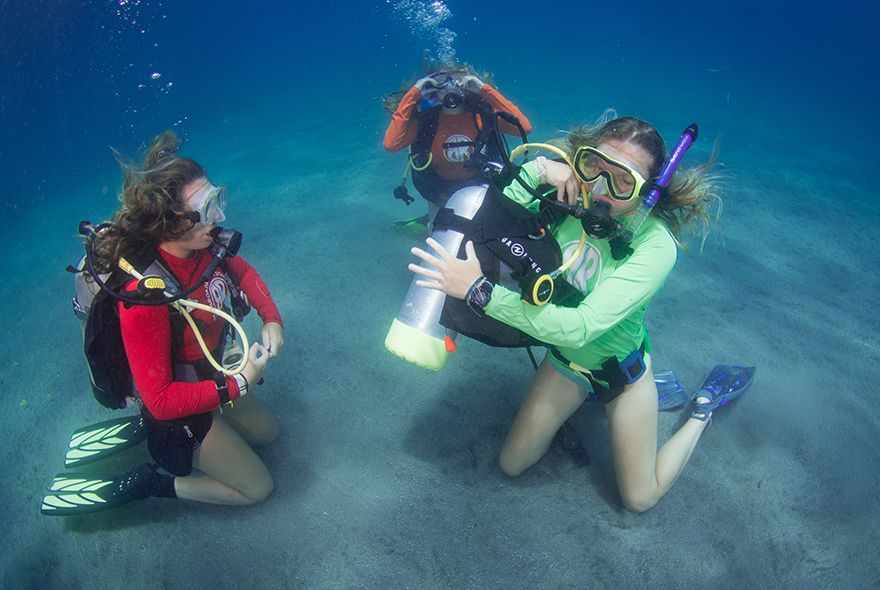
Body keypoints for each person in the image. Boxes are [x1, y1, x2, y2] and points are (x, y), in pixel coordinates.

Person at [407, 114, 754, 512]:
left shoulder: (656, 245)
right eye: (594, 167)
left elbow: (581, 328)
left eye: (623, 180)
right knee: (511, 464)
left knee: (640, 499)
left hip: (619, 374)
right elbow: (494, 217)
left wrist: (479, 292)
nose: (601, 188)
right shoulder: (571, 198)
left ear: (646, 191)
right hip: (564, 364)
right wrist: (538, 170)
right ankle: (590, 399)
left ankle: (703, 408)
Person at [42, 131, 284, 515]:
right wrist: (238, 384)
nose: (219, 216)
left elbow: (242, 271)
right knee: (258, 488)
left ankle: (202, 428)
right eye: (206, 209)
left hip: (210, 373)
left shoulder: (206, 245)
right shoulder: (146, 296)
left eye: (217, 199)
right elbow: (161, 399)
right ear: (170, 225)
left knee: (268, 435)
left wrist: (271, 318)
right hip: (175, 403)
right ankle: (154, 481)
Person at [383, 66, 532, 223]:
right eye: (441, 83)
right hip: (441, 192)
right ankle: (427, 220)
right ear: (432, 89)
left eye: (456, 81)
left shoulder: (482, 115)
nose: (449, 88)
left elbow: (524, 128)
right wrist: (414, 93)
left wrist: (483, 89)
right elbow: (391, 144)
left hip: (483, 185)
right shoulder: (425, 123)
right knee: (444, 236)